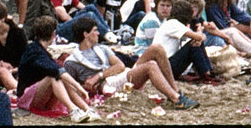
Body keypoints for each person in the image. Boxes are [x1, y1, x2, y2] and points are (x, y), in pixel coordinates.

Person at [67, 15, 198, 109]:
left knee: (156, 48)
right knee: (151, 66)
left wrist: (98, 76)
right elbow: (71, 86)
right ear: (86, 34)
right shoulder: (73, 61)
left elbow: (120, 66)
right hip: (110, 84)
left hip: (118, 75)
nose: (98, 33)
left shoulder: (102, 48)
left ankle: (175, 92)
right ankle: (177, 100)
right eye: (95, 30)